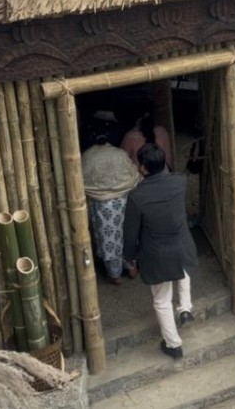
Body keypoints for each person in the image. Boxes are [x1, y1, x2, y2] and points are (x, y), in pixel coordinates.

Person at [123, 144, 198, 359]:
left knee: (161, 300)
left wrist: (130, 258)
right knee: (183, 271)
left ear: (143, 168)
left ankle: (173, 345)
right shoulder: (179, 182)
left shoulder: (137, 197)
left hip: (156, 252)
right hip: (181, 243)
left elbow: (130, 234)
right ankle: (185, 309)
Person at [82, 115, 141, 284]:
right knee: (127, 235)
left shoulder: (87, 156)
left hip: (101, 205)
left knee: (108, 239)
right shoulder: (119, 153)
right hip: (123, 201)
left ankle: (114, 275)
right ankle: (131, 267)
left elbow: (81, 181)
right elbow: (133, 174)